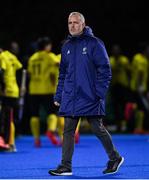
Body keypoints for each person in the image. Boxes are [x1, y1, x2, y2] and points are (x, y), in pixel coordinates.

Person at [48, 12, 124, 176]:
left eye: (76, 22)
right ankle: (65, 166)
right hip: (70, 96)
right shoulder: (66, 46)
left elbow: (105, 70)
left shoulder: (94, 43)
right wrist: (59, 95)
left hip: (90, 96)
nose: (72, 25)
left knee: (97, 129)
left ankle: (115, 157)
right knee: (68, 130)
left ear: (83, 24)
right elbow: (62, 74)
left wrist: (99, 93)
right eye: (70, 22)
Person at [27, 37, 61, 147]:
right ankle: (50, 130)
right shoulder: (50, 56)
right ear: (46, 46)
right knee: (52, 113)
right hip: (47, 89)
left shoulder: (32, 58)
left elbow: (29, 73)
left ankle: (36, 140)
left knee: (34, 115)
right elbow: (60, 64)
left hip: (34, 90)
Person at [0, 44, 22, 152]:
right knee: (10, 118)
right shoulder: (13, 57)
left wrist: (3, 87)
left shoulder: (3, 55)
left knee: (6, 118)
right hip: (14, 90)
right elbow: (19, 68)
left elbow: (2, 71)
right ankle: (11, 143)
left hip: (6, 91)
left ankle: (8, 142)